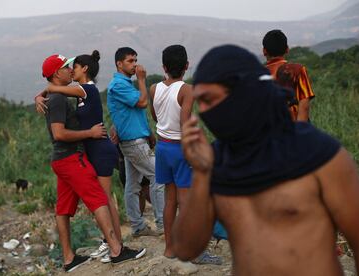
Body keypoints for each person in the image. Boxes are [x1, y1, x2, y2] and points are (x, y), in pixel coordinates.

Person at [172, 45, 359, 275]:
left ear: (243, 92)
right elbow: (184, 248)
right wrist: (201, 174)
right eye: (200, 102)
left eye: (210, 99)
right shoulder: (216, 163)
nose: (203, 111)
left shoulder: (318, 153)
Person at [38, 54, 146, 271]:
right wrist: (44, 92)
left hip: (92, 151)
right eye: (67, 67)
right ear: (57, 73)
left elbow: (57, 90)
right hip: (73, 156)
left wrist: (45, 91)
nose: (70, 69)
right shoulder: (65, 95)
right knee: (99, 199)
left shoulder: (82, 91)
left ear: (84, 69)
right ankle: (116, 249)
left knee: (76, 205)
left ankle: (84, 254)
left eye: (73, 66)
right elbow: (59, 132)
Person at [149, 44, 222, 265]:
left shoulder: (154, 88)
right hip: (180, 149)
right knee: (187, 202)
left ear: (164, 66)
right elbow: (185, 123)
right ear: (187, 66)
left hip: (162, 148)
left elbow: (155, 116)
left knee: (170, 201)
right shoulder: (186, 90)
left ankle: (170, 248)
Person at [107, 47, 165, 237]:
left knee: (132, 185)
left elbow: (133, 113)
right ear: (119, 64)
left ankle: (138, 226)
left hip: (136, 139)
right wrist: (141, 79)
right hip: (133, 142)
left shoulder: (125, 84)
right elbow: (142, 103)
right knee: (159, 175)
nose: (135, 64)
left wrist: (148, 131)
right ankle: (163, 224)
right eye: (130, 61)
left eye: (135, 60)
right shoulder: (119, 85)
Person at [263, 29, 315, 122]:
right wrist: (300, 133)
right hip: (292, 129)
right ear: (287, 49)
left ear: (264, 51)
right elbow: (304, 106)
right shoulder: (298, 70)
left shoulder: (256, 74)